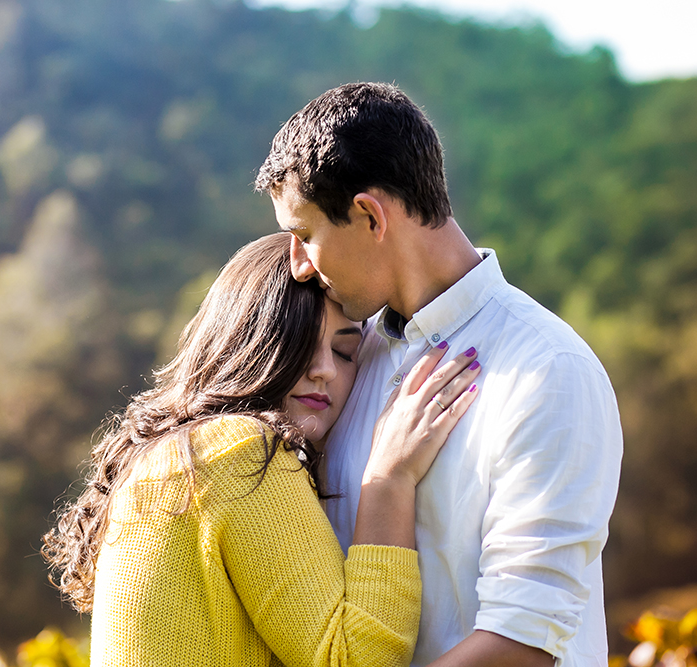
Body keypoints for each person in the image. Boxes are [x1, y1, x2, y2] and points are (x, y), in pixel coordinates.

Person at [254, 82, 623, 667]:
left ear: (369, 215)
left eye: (304, 236)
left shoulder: (548, 370)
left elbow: (524, 643)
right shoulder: (347, 364)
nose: (297, 264)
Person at [43, 232, 482, 667]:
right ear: (247, 344)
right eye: (298, 343)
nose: (324, 370)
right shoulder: (235, 450)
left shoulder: (178, 454)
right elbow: (356, 659)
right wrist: (389, 477)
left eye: (344, 351)